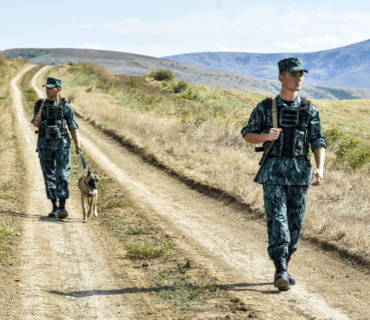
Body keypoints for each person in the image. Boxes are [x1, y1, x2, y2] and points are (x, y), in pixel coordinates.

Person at [241, 57, 326, 291]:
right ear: (281, 78)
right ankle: (280, 268)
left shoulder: (309, 109)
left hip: (300, 173)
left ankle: (285, 267)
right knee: (278, 220)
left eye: (301, 75)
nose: (298, 79)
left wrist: (319, 168)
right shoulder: (266, 107)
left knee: (296, 223)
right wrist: (266, 136)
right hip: (273, 172)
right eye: (294, 75)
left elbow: (318, 140)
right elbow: (248, 135)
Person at [32, 77, 81, 219]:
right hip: (44, 145)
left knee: (63, 174)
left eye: (50, 88)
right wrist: (37, 122)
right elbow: (36, 125)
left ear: (58, 89)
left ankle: (62, 207)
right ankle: (54, 207)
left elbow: (72, 126)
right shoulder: (40, 105)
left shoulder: (67, 106)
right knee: (49, 175)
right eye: (46, 87)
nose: (47, 90)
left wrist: (78, 144)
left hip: (62, 145)